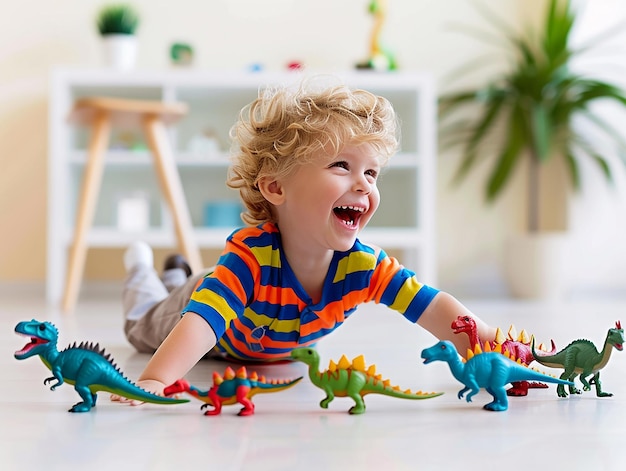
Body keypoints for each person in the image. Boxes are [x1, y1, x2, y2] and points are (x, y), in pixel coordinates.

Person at [115, 77, 496, 402]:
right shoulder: (249, 260)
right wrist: (154, 382)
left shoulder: (365, 267)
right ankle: (142, 270)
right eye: (341, 166)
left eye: (372, 172)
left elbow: (436, 309)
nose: (363, 183)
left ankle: (174, 274)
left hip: (249, 335)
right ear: (276, 187)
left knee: (182, 291)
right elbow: (200, 323)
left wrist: (496, 349)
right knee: (140, 324)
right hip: (202, 313)